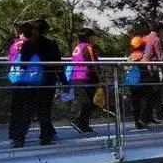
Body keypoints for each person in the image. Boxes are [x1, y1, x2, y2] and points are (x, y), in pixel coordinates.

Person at [8, 18, 65, 147]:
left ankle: (19, 138)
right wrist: (64, 81)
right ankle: (45, 137)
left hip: (29, 82)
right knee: (44, 111)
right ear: (46, 31)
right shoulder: (52, 44)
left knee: (26, 111)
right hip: (47, 81)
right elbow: (58, 65)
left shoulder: (28, 44)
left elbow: (23, 64)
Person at [69, 28, 99, 134]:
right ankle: (79, 121)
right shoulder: (88, 48)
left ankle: (83, 125)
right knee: (92, 102)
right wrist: (100, 78)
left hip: (76, 77)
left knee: (86, 102)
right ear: (89, 37)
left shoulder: (76, 47)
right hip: (87, 78)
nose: (94, 38)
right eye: (93, 36)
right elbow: (93, 64)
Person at [141, 23, 163, 121]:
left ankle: (149, 116)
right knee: (155, 92)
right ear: (159, 30)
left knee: (147, 93)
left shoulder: (144, 38)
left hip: (142, 67)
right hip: (152, 69)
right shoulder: (156, 39)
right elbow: (160, 56)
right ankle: (151, 116)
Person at [126, 35, 152, 130]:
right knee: (147, 100)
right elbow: (149, 68)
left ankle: (137, 121)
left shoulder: (130, 57)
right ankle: (143, 119)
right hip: (144, 82)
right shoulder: (145, 56)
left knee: (135, 102)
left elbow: (126, 68)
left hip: (133, 83)